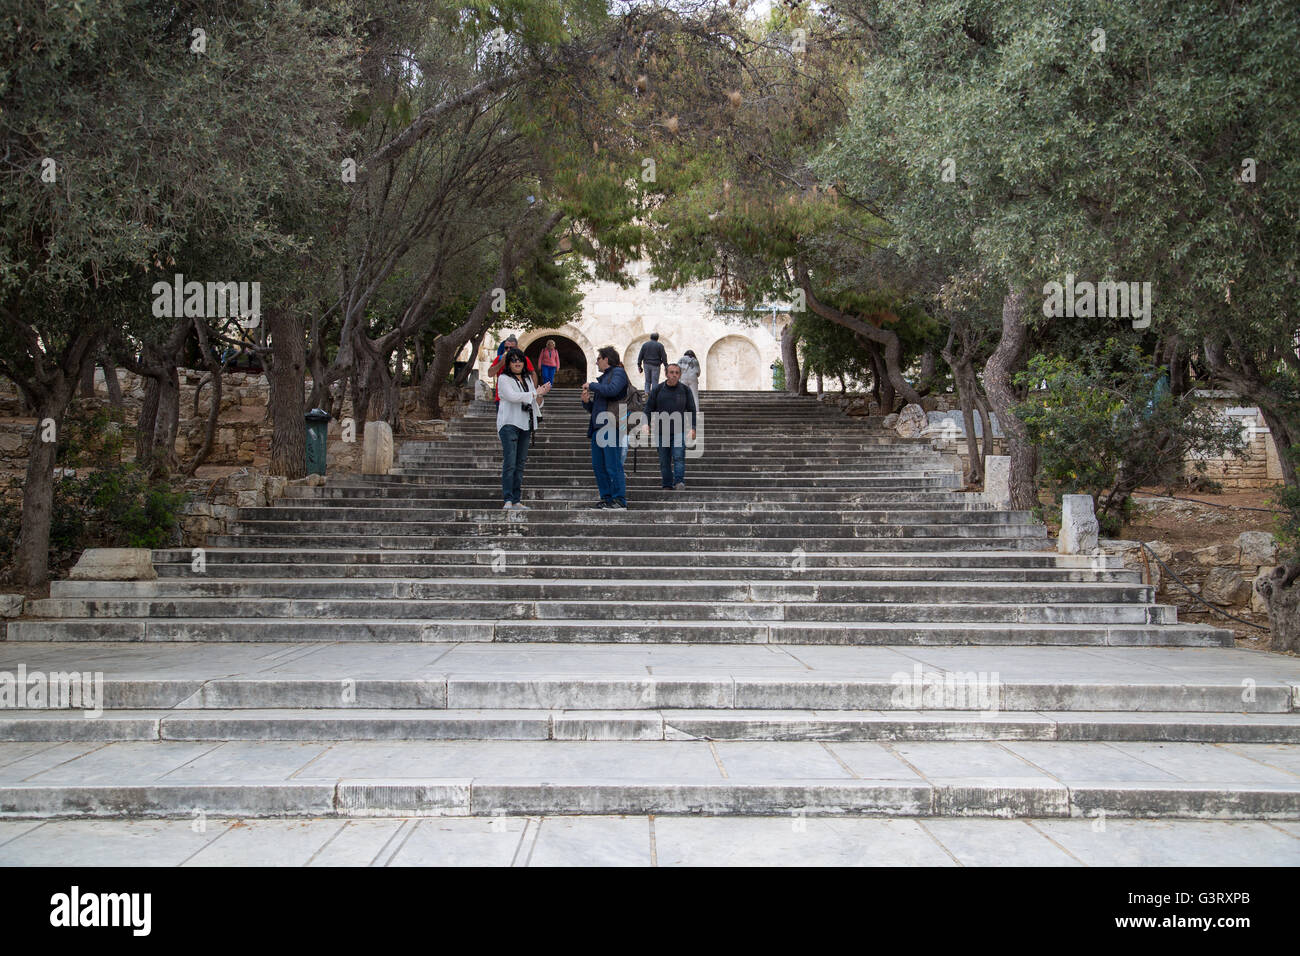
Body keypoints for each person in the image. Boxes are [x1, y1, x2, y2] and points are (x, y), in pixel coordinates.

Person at [496, 348, 550, 509]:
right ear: (509, 364)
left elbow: (534, 402)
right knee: (510, 462)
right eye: (513, 360)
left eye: (520, 360)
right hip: (509, 424)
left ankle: (516, 500)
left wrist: (540, 394)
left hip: (525, 424)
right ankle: (508, 499)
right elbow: (511, 396)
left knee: (520, 464)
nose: (517, 363)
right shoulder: (504, 379)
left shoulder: (527, 380)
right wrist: (535, 393)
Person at [582, 345, 630, 509]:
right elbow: (598, 407)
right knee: (599, 466)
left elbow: (613, 390)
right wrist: (587, 402)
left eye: (598, 359)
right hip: (598, 427)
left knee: (612, 464)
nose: (596, 363)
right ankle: (606, 497)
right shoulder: (604, 379)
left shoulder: (618, 373)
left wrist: (592, 386)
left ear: (606, 359)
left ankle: (619, 499)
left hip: (611, 426)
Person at [643, 362, 698, 490]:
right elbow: (648, 408)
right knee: (664, 460)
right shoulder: (657, 389)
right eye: (671, 372)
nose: (674, 375)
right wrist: (646, 423)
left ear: (680, 375)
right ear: (666, 374)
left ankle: (679, 482)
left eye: (677, 373)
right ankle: (667, 484)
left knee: (679, 457)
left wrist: (693, 427)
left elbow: (692, 410)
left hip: (679, 431)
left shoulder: (685, 390)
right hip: (661, 431)